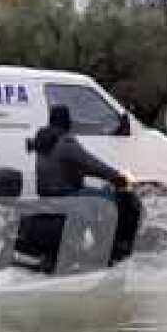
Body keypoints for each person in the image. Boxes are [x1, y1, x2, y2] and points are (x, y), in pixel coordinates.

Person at [30, 105, 141, 265]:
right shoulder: (65, 141)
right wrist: (116, 176)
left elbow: (67, 166)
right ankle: (105, 250)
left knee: (99, 196)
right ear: (66, 121)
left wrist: (90, 173)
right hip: (67, 193)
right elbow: (91, 162)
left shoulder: (44, 140)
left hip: (49, 193)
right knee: (108, 203)